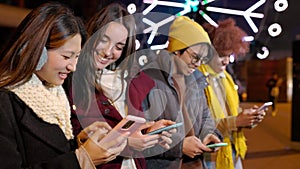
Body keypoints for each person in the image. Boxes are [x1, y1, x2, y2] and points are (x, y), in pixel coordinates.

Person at [0, 2, 129, 168]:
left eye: (77, 57)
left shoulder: (55, 92)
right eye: (67, 56)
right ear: (37, 50)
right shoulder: (6, 101)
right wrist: (81, 159)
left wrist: (80, 142)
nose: (73, 66)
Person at [63, 3, 175, 169]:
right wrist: (128, 144)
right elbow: (69, 141)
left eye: (118, 47)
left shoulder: (129, 83)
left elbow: (128, 129)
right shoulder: (69, 78)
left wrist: (150, 132)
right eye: (103, 40)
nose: (108, 52)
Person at [132, 16, 222, 169]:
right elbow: (140, 136)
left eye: (202, 59)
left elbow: (206, 116)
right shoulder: (148, 79)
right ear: (176, 50)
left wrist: (211, 134)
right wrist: (179, 147)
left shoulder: (197, 80)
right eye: (195, 57)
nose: (198, 64)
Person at [199, 18, 267, 169]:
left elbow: (231, 111)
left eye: (230, 55)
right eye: (222, 55)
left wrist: (249, 117)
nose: (227, 61)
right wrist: (235, 121)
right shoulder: (197, 80)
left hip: (233, 149)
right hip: (211, 154)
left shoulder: (226, 79)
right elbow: (197, 126)